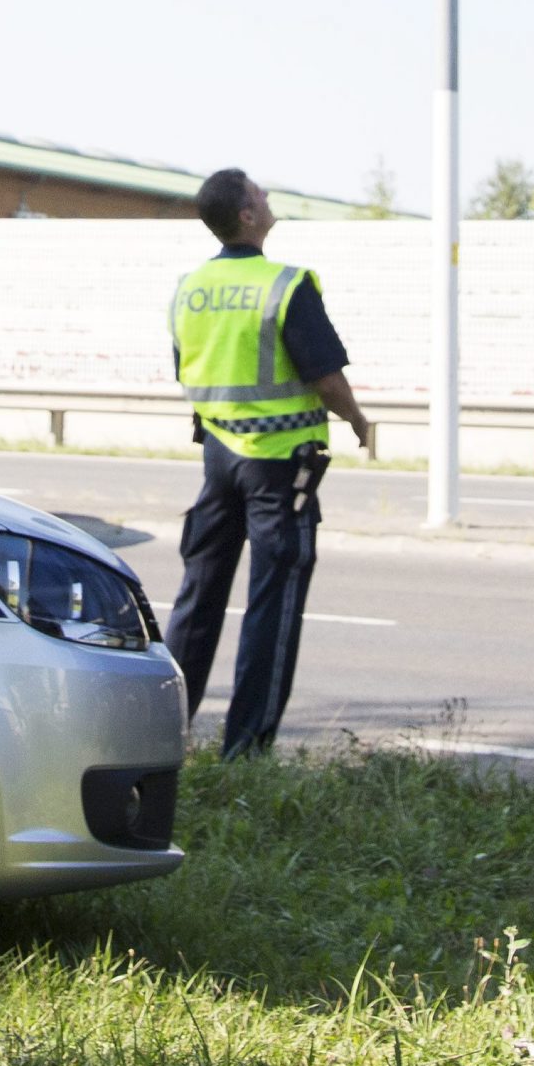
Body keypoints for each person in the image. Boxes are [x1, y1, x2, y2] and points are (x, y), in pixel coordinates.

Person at [166, 170, 375, 758]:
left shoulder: (190, 287)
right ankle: (246, 753)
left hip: (217, 461)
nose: (267, 198)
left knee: (199, 595)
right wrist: (358, 421)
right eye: (259, 194)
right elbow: (326, 379)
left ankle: (162, 734)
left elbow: (187, 367)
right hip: (281, 469)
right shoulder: (286, 285)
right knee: (271, 603)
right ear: (248, 217)